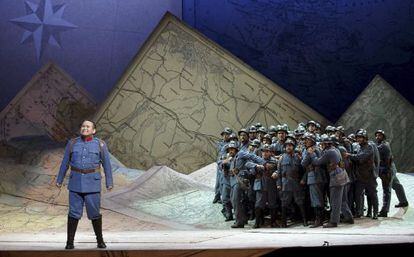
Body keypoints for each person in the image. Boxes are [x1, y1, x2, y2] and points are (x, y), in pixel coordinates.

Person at [56, 120, 113, 249]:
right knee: (73, 213)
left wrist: (109, 182)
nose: (85, 128)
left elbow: (107, 165)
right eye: (83, 126)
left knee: (94, 213)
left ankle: (100, 240)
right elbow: (65, 163)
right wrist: (59, 179)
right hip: (75, 183)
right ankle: (69, 242)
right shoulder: (72, 143)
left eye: (88, 127)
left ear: (94, 130)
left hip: (92, 184)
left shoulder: (100, 145)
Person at [310, 135, 354, 228]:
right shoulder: (335, 149)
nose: (321, 145)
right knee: (342, 200)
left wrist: (312, 154)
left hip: (335, 177)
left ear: (326, 144)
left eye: (322, 144)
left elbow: (317, 162)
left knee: (335, 201)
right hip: (342, 174)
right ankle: (349, 217)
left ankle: (333, 222)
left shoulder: (329, 152)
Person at [345, 129, 379, 219]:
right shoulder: (358, 147)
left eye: (361, 137)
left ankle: (375, 212)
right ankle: (359, 212)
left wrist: (349, 155)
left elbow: (361, 156)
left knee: (373, 194)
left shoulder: (369, 147)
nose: (359, 139)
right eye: (358, 137)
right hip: (360, 175)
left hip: (370, 175)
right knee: (358, 194)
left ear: (365, 138)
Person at [273, 139, 307, 227]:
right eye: (287, 146)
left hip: (296, 183)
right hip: (285, 183)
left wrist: (303, 179)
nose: (288, 147)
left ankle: (304, 220)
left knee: (300, 202)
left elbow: (303, 171)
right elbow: (279, 172)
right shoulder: (281, 158)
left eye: (290, 145)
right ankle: (283, 222)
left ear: (293, 147)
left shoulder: (298, 158)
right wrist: (279, 184)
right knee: (284, 203)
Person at [375, 130, 409, 217]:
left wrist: (386, 172)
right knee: (397, 185)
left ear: (383, 136)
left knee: (387, 190)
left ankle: (384, 211)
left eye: (379, 135)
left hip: (387, 171)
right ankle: (403, 201)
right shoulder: (385, 144)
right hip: (391, 169)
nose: (377, 137)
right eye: (377, 135)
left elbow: (385, 159)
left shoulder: (383, 146)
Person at [301, 132, 327, 228]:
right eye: (305, 140)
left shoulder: (313, 150)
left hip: (316, 177)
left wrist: (309, 154)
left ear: (312, 140)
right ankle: (319, 219)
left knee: (316, 199)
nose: (306, 141)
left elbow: (303, 163)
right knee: (317, 199)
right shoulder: (316, 149)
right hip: (315, 176)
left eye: (308, 139)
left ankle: (319, 220)